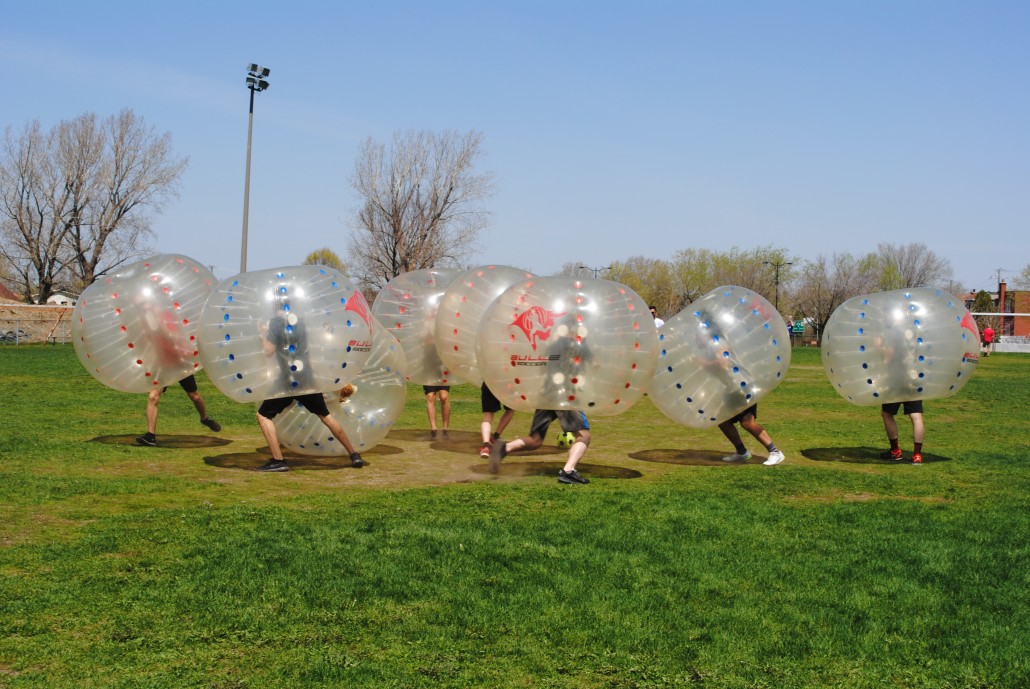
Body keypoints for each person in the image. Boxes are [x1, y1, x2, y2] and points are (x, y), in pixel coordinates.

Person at [255, 393, 364, 472]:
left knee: (263, 416)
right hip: (308, 383)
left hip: (288, 383)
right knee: (326, 416)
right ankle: (354, 454)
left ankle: (278, 460)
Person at [489, 409, 592, 484]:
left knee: (535, 440)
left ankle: (504, 448)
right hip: (565, 393)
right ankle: (568, 471)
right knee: (583, 436)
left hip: (545, 396)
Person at [136, 374, 221, 446]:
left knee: (195, 397)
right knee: (153, 396)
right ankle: (150, 436)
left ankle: (205, 419)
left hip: (181, 366)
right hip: (163, 368)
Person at [718, 404, 785, 466]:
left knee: (747, 422)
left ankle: (776, 452)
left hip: (743, 395)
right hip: (727, 397)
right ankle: (742, 452)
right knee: (723, 422)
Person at [479, 382, 516, 458]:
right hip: (508, 383)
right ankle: (495, 437)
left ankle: (486, 446)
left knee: (488, 414)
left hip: (490, 381)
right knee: (511, 409)